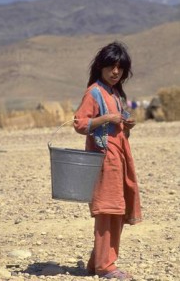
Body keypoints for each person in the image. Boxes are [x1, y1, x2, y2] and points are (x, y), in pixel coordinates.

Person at [73, 41, 142, 280]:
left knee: (117, 211)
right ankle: (106, 268)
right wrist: (107, 118)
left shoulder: (115, 93)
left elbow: (118, 129)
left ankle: (97, 263)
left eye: (120, 68)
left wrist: (125, 124)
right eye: (111, 67)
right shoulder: (94, 92)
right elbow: (80, 124)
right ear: (101, 67)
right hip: (102, 161)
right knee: (106, 211)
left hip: (119, 158)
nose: (116, 72)